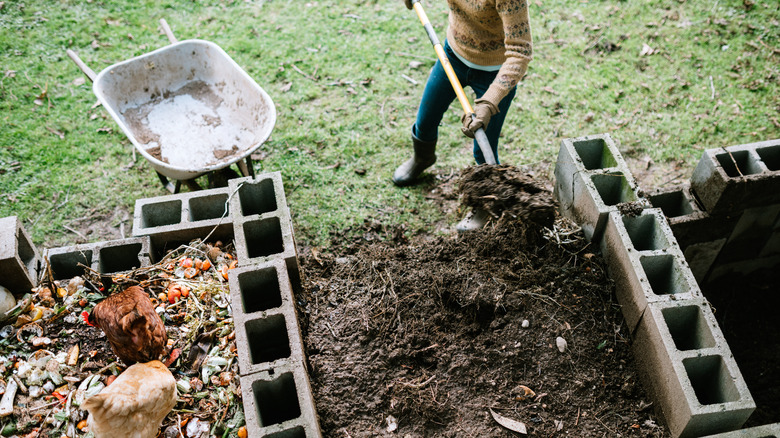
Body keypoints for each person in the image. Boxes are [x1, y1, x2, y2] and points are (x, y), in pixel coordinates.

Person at [393, 0, 532, 231]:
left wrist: (490, 102)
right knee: (425, 121)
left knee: (484, 146)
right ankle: (422, 158)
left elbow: (521, 52)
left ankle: (484, 203)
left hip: (494, 73)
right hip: (452, 56)